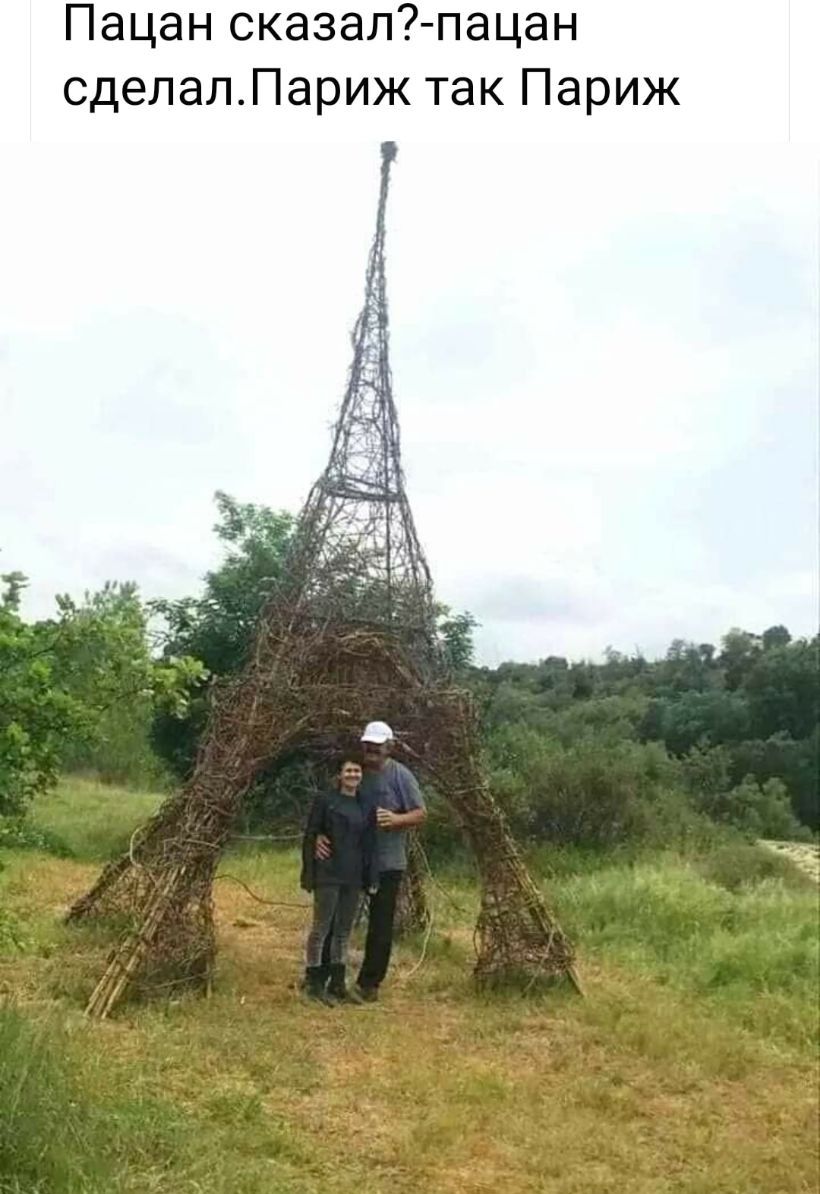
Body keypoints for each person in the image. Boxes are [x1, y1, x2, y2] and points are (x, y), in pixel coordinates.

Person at [315, 721, 426, 1002]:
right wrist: (318, 835)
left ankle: (369, 984)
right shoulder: (355, 772)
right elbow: (329, 805)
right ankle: (324, 977)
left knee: (380, 925)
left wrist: (397, 819)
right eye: (368, 745)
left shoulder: (401, 776)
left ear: (390, 746)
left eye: (377, 745)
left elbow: (421, 812)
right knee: (336, 920)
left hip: (388, 862)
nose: (372, 750)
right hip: (352, 861)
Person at [300, 755, 379, 1005]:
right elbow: (311, 833)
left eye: (356, 771)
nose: (353, 775)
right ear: (339, 775)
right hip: (329, 873)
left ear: (361, 776)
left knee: (344, 932)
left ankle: (337, 983)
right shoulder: (326, 801)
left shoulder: (366, 805)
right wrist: (310, 866)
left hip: (353, 875)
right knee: (321, 928)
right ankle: (313, 982)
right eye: (348, 771)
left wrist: (371, 876)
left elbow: (370, 843)